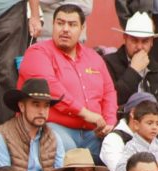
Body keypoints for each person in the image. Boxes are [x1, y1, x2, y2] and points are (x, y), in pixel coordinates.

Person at [18, 4, 117, 161]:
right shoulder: (37, 52)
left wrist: (109, 122)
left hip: (93, 132)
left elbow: (109, 92)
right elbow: (51, 88)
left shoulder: (94, 57)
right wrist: (86, 114)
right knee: (68, 151)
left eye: (72, 24)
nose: (65, 29)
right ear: (53, 25)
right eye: (60, 23)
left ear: (82, 28)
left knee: (116, 146)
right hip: (54, 127)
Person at [104, 12, 158, 107]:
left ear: (151, 42)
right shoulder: (108, 63)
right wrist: (134, 70)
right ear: (125, 38)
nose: (139, 47)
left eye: (145, 41)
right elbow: (114, 99)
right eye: (134, 40)